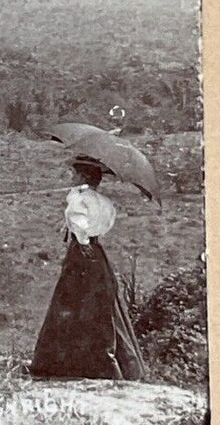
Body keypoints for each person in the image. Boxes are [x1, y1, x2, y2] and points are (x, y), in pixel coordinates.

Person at [29, 157, 146, 380]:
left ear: (83, 176)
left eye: (75, 174)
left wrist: (82, 243)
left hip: (81, 252)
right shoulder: (104, 202)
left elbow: (79, 228)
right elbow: (102, 225)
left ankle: (67, 364)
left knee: (71, 301)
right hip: (97, 251)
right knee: (101, 304)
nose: (72, 177)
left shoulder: (78, 200)